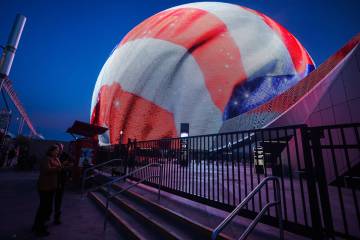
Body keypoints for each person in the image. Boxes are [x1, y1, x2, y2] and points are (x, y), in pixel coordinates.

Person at [32, 145, 61, 237]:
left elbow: (59, 167)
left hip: (51, 186)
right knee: (44, 207)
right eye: (56, 150)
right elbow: (47, 169)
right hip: (45, 187)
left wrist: (59, 161)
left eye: (58, 151)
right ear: (51, 151)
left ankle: (38, 225)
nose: (57, 152)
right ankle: (39, 228)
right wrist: (58, 168)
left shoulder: (55, 158)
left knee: (46, 207)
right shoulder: (46, 159)